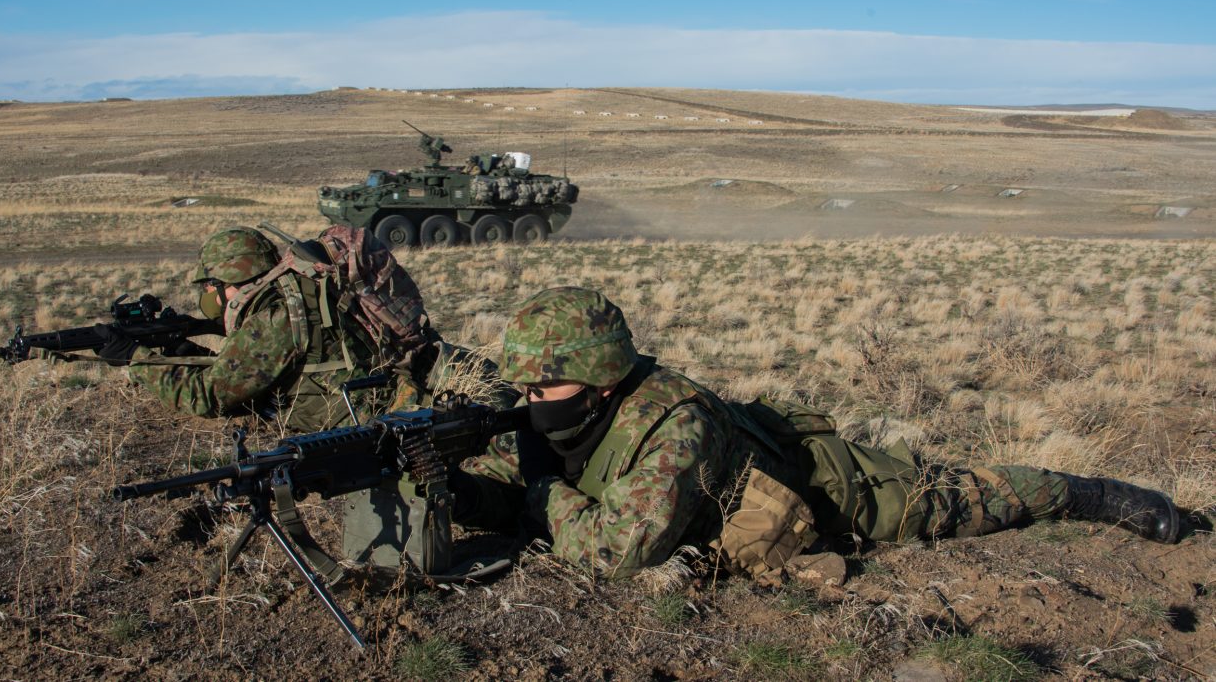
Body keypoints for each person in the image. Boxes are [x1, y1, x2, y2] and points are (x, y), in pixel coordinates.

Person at [451, 287, 1182, 580]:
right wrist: (456, 490)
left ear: (602, 380)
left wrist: (540, 491)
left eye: (542, 388)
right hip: (743, 481)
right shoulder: (568, 411)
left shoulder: (673, 425)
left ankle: (1088, 493)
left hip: (830, 488)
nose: (531, 403)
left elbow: (619, 549)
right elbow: (516, 481)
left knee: (954, 499)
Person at [94, 225, 509, 433]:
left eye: (209, 287)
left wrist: (135, 360)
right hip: (389, 388)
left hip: (363, 421)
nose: (207, 296)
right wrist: (186, 351)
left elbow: (210, 396)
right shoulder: (304, 283)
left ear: (229, 279)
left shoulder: (275, 315)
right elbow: (247, 368)